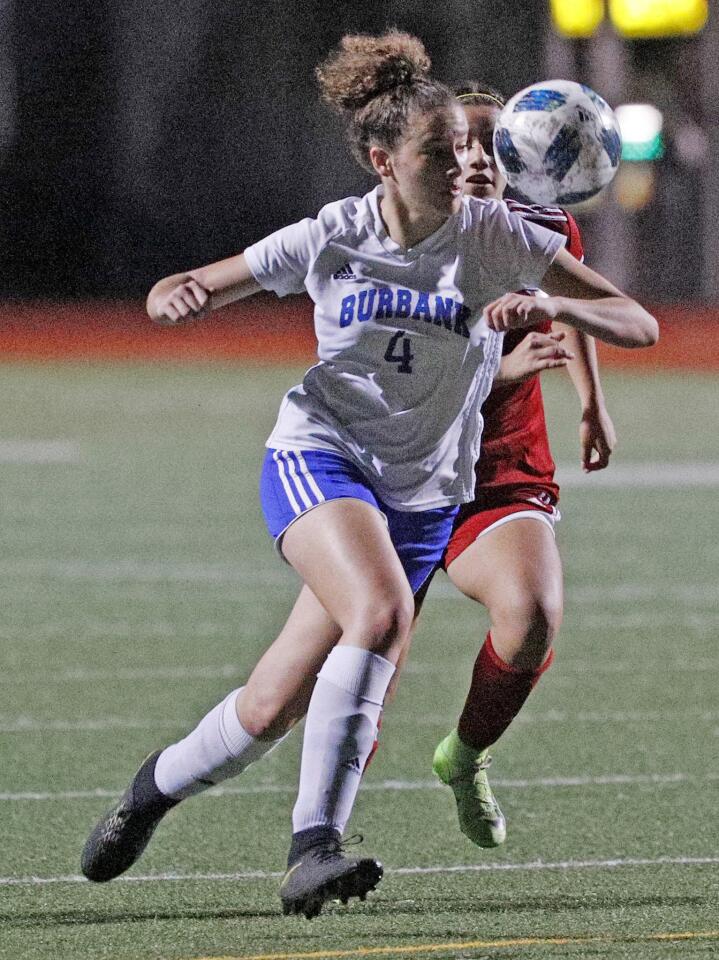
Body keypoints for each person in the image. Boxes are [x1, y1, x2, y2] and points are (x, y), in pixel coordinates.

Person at [80, 32, 657, 919]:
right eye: (443, 149)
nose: (466, 161)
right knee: (380, 612)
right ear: (384, 161)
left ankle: (152, 789)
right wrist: (178, 293)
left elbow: (636, 322)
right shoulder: (330, 235)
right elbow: (204, 280)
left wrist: (552, 303)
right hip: (323, 455)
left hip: (424, 489)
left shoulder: (498, 235)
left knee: (269, 709)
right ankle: (315, 846)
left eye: (472, 147)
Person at [430, 82, 618, 848]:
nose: (476, 158)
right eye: (457, 145)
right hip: (394, 476)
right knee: (345, 656)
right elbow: (390, 382)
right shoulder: (388, 238)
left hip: (498, 471)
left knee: (532, 619)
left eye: (491, 143)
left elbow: (569, 307)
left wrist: (588, 399)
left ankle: (464, 753)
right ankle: (315, 829)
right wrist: (503, 374)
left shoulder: (542, 228)